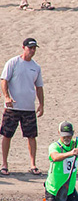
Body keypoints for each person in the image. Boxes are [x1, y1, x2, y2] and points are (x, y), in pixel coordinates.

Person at [1, 38, 45, 177]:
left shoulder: (36, 67)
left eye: (34, 48)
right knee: (7, 135)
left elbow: (39, 87)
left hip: (28, 108)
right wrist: (7, 97)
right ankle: (4, 164)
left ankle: (33, 164)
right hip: (12, 107)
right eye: (30, 48)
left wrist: (41, 104)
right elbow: (4, 80)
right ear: (23, 47)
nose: (32, 51)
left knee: (31, 136)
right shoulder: (13, 62)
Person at [44, 120, 78, 201]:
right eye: (64, 136)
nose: (67, 138)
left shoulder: (76, 143)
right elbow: (55, 157)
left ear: (73, 133)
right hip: (54, 190)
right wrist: (70, 153)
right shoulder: (55, 146)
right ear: (59, 133)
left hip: (69, 189)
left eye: (69, 135)